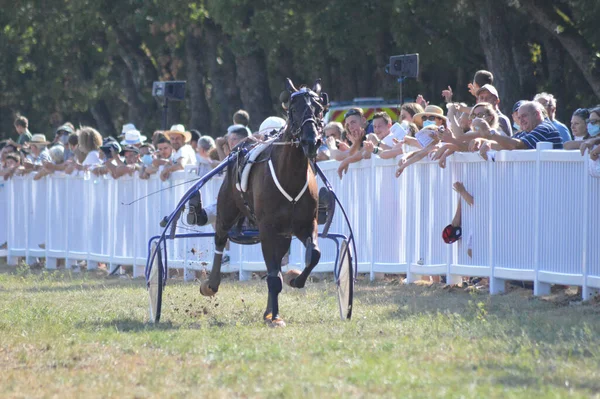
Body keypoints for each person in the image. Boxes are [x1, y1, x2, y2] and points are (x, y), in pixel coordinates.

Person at [468, 101, 563, 156]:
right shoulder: (526, 131)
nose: (521, 121)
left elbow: (517, 146)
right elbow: (506, 144)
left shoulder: (544, 128)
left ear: (537, 114)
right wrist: (485, 142)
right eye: (519, 117)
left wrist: (490, 132)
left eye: (524, 116)